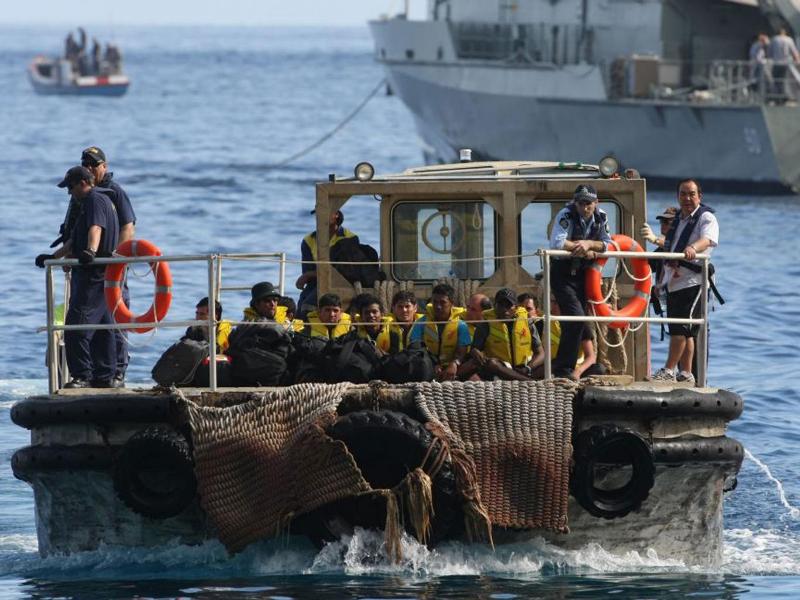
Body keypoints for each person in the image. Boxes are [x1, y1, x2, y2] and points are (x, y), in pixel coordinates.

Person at [36, 166, 119, 388]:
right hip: (105, 275)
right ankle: (105, 376)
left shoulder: (93, 200)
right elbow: (74, 239)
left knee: (76, 325)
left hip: (93, 274)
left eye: (71, 187)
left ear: (83, 182)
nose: (69, 192)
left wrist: (91, 251)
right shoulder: (98, 201)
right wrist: (53, 257)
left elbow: (95, 228)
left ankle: (82, 375)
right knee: (103, 326)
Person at [651, 179, 718, 384]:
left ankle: (668, 370)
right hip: (674, 281)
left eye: (691, 194)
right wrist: (660, 283)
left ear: (699, 196)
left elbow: (708, 240)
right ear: (678, 196)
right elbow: (668, 251)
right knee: (686, 332)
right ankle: (686, 373)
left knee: (679, 329)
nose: (687, 198)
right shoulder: (679, 219)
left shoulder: (706, 217)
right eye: (683, 194)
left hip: (693, 282)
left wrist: (692, 248)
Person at [81, 146, 136, 386]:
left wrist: (117, 259)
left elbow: (128, 226)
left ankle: (118, 370)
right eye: (86, 164)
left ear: (104, 166)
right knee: (95, 320)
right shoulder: (84, 192)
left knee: (116, 318)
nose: (89, 168)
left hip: (112, 267)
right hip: (90, 269)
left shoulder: (115, 191)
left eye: (94, 164)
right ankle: (98, 370)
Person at [548, 184, 612, 380]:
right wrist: (583, 249)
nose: (585, 207)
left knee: (579, 318)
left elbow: (607, 244)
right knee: (575, 317)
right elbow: (557, 242)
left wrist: (589, 243)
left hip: (582, 274)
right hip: (562, 273)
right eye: (581, 203)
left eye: (589, 203)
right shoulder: (565, 215)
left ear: (596, 202)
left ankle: (576, 367)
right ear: (575, 203)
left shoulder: (601, 217)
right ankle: (563, 368)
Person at [467, 288, 544, 381]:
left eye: (508, 305)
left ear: (516, 307)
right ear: (495, 306)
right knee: (492, 363)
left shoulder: (527, 321)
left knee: (550, 364)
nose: (504, 309)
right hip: (501, 368)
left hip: (524, 367)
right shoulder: (486, 324)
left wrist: (528, 368)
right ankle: (529, 381)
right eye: (500, 305)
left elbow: (541, 353)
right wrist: (475, 352)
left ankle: (523, 378)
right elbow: (474, 349)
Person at [296, 210, 356, 317]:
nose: (319, 216)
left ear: (336, 214)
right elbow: (307, 270)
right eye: (317, 214)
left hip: (343, 282)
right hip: (316, 282)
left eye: (324, 212)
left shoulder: (350, 238)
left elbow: (345, 270)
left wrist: (308, 275)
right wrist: (309, 275)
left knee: (309, 304)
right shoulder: (308, 240)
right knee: (301, 305)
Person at [533, 295, 605, 380]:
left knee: (599, 368)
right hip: (551, 367)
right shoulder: (541, 324)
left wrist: (577, 372)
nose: (557, 305)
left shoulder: (578, 324)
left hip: (575, 368)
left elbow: (591, 356)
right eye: (554, 302)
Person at [409, 283, 471, 381]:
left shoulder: (461, 325)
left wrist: (454, 363)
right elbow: (415, 346)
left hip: (453, 367)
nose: (438, 306)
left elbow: (461, 351)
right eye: (435, 302)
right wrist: (432, 363)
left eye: (443, 302)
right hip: (427, 365)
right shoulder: (421, 323)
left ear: (451, 303)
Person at [769, 28, 800, 103]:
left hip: (777, 63)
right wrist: (798, 61)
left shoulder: (774, 39)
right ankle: (787, 97)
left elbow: (770, 52)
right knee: (786, 82)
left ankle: (778, 98)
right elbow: (794, 52)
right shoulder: (789, 39)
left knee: (777, 81)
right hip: (787, 63)